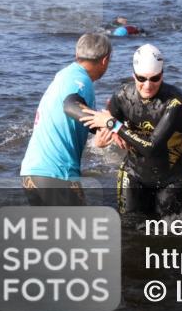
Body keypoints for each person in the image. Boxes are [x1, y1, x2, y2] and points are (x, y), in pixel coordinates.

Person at [81, 44, 182, 220]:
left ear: (162, 75)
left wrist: (114, 125)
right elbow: (101, 125)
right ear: (133, 75)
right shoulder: (122, 95)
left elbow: (151, 147)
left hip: (171, 178)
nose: (148, 85)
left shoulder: (176, 101)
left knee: (167, 232)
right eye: (141, 78)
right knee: (128, 227)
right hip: (134, 172)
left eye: (155, 79)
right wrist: (102, 136)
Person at [19, 33, 114, 205]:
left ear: (77, 55)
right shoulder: (82, 81)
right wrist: (109, 124)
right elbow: (70, 106)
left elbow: (75, 116)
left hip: (31, 174)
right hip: (57, 175)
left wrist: (100, 131)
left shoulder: (65, 75)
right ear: (105, 60)